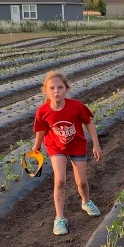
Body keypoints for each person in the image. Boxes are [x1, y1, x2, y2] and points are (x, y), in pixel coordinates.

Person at [33, 71, 102, 235]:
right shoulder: (43, 111)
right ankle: (59, 218)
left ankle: (86, 201)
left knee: (82, 182)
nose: (56, 91)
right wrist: (36, 146)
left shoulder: (76, 106)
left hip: (76, 144)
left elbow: (89, 124)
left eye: (60, 87)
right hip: (56, 146)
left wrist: (96, 145)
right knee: (60, 180)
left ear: (66, 89)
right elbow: (41, 130)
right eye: (52, 88)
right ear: (46, 91)